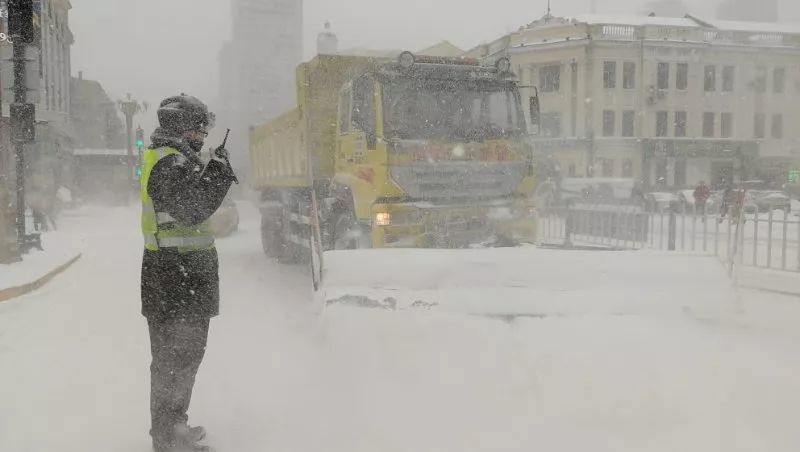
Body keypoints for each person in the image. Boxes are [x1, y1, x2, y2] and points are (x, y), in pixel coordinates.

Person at [140, 94, 236, 452]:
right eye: (198, 128)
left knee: (182, 358)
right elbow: (192, 209)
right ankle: (168, 438)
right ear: (180, 128)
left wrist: (210, 168)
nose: (202, 136)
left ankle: (173, 428)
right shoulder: (170, 163)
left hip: (180, 273)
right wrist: (219, 171)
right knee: (174, 360)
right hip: (175, 275)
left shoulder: (177, 160)